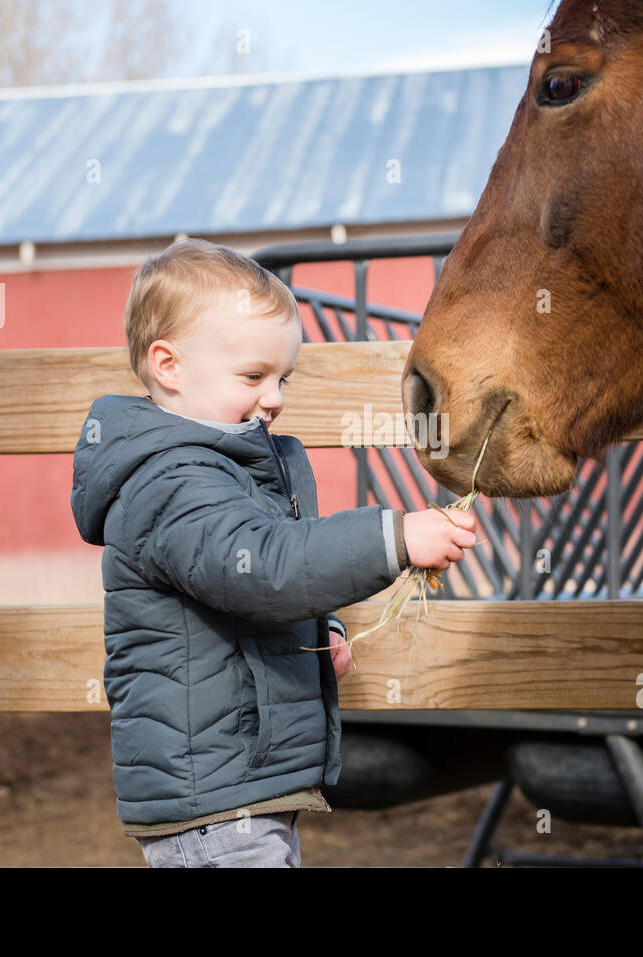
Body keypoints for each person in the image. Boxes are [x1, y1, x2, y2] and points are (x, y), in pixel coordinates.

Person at [70, 237, 477, 867]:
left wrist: (323, 625)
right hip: (213, 798)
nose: (274, 397)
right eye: (253, 376)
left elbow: (260, 591)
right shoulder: (169, 483)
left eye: (281, 377)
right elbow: (262, 568)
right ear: (168, 366)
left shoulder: (229, 470)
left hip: (243, 786)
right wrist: (393, 537)